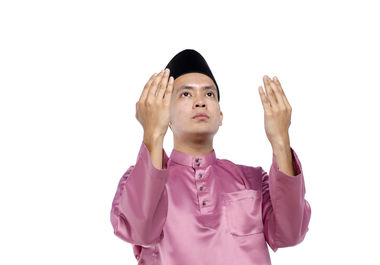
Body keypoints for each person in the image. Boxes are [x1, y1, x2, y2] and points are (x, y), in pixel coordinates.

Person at [110, 49, 311, 265]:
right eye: (186, 94)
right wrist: (152, 134)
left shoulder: (253, 180)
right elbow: (139, 232)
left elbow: (290, 234)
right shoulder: (140, 180)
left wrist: (280, 140)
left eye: (209, 94)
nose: (200, 102)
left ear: (221, 116)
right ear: (166, 115)